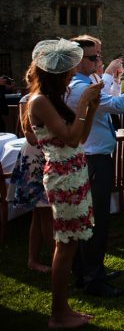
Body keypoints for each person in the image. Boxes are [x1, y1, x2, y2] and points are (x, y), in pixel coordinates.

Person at [67, 35, 124, 297]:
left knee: (94, 218)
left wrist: (110, 79)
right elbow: (117, 105)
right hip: (93, 157)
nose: (99, 61)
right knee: (95, 220)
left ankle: (88, 271)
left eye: (99, 55)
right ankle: (92, 278)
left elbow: (111, 100)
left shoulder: (87, 82)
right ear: (77, 60)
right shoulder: (78, 87)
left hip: (97, 154)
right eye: (94, 57)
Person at [26, 38, 103, 329]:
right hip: (62, 177)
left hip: (74, 174)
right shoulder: (40, 101)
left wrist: (92, 106)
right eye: (69, 71)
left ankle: (64, 309)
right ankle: (58, 314)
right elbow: (69, 138)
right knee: (66, 243)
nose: (73, 75)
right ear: (55, 74)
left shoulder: (54, 100)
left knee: (70, 243)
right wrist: (83, 102)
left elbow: (80, 136)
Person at [7, 94, 53, 273]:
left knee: (39, 214)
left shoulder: (54, 97)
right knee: (45, 211)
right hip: (36, 159)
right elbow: (30, 135)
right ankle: (57, 259)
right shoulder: (28, 100)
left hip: (46, 157)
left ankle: (33, 260)